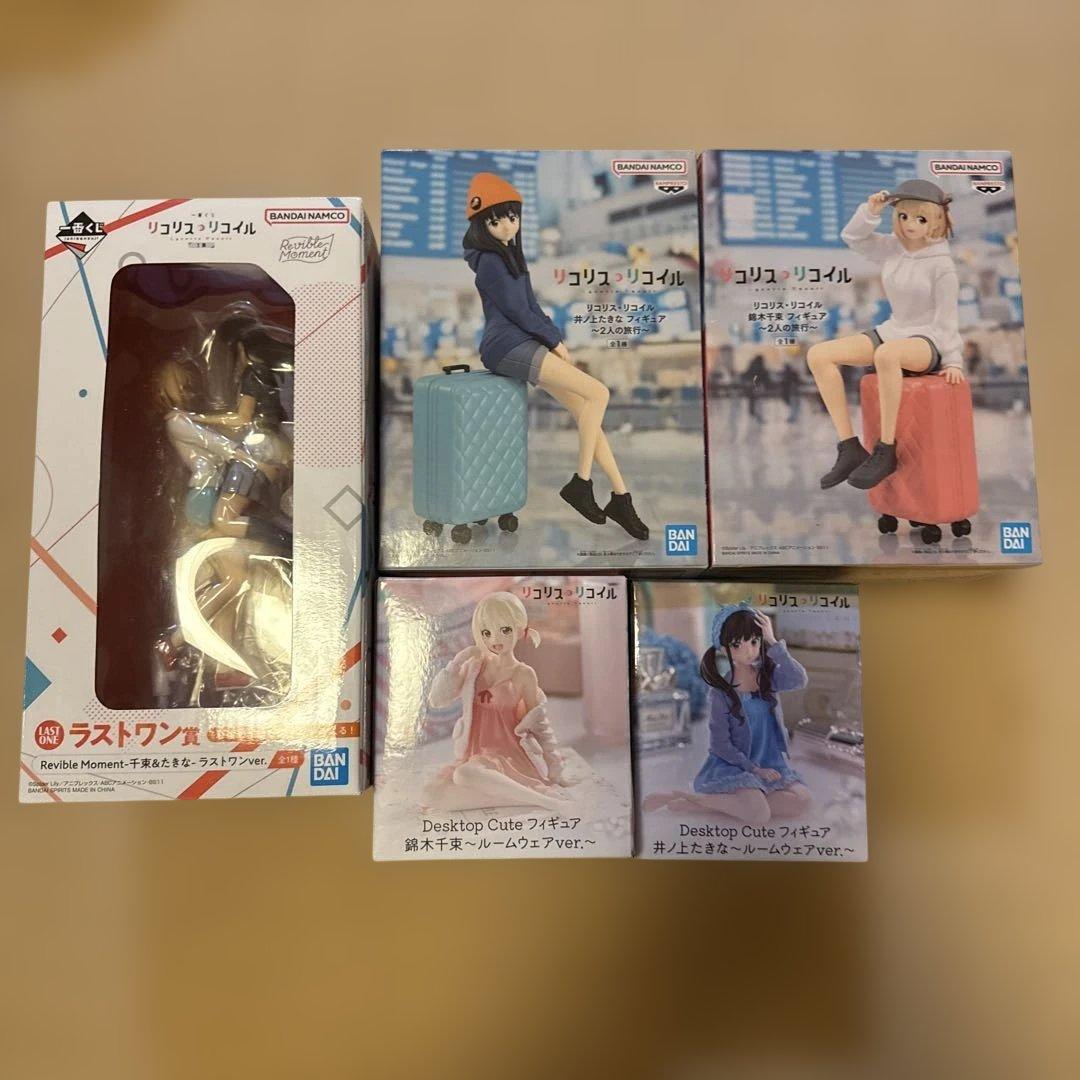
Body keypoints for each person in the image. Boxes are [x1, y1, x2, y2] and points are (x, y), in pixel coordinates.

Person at [462, 172, 649, 541]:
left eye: (512, 216)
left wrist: (553, 338)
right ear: (482, 225)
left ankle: (621, 497)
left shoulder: (509, 255)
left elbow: (532, 305)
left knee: (584, 409)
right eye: (496, 220)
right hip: (506, 346)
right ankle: (581, 483)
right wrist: (554, 341)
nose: (507, 225)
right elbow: (517, 310)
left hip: (523, 342)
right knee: (599, 393)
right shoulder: (490, 261)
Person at [807, 180, 965, 490]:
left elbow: (947, 318)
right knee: (819, 355)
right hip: (893, 330)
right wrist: (870, 212)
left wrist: (953, 361)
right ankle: (849, 448)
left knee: (887, 354)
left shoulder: (942, 266)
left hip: (927, 340)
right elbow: (852, 237)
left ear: (936, 220)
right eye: (903, 216)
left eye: (920, 218)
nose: (909, 225)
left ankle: (886, 449)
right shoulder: (893, 248)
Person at [643, 604, 812, 824]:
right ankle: (685, 796)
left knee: (802, 801)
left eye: (754, 641)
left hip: (771, 764)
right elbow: (720, 745)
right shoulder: (721, 693)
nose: (749, 650)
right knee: (759, 815)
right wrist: (754, 770)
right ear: (724, 648)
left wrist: (772, 641)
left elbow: (798, 679)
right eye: (737, 644)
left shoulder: (767, 678)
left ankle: (704, 804)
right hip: (736, 767)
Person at [422, 591, 571, 812]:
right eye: (486, 632)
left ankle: (546, 801)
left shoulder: (523, 674)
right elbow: (437, 700)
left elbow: (539, 723)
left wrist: (554, 767)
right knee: (431, 793)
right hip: (475, 757)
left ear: (519, 629)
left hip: (510, 757)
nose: (495, 640)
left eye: (505, 630)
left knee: (464, 775)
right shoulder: (473, 667)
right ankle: (519, 795)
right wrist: (457, 662)